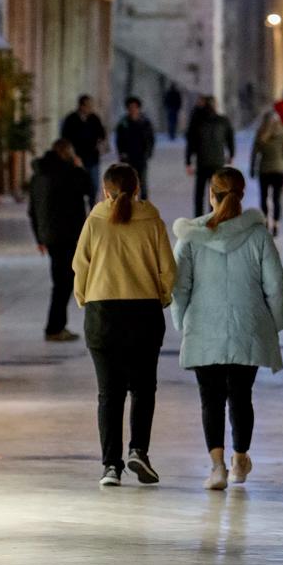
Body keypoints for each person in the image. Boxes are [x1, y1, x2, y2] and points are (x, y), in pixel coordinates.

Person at [172, 168, 283, 491]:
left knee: (210, 398)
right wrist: (274, 323)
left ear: (211, 195)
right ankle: (240, 459)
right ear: (243, 193)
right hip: (247, 328)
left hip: (203, 329)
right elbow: (275, 284)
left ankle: (217, 467)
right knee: (240, 396)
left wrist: (182, 321)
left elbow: (179, 287)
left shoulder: (191, 237)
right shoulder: (258, 235)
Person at [72, 163, 177, 489]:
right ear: (137, 189)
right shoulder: (153, 222)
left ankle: (110, 467)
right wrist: (160, 298)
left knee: (109, 393)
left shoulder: (95, 221)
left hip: (103, 314)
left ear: (105, 191)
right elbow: (168, 271)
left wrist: (85, 300)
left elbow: (80, 267)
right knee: (143, 389)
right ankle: (138, 451)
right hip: (144, 313)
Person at [28, 137, 91, 340]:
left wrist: (39, 237)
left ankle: (56, 326)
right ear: (67, 153)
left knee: (60, 282)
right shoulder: (69, 172)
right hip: (68, 235)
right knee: (63, 283)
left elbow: (32, 210)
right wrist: (80, 167)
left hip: (50, 236)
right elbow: (88, 188)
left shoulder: (38, 175)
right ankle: (54, 328)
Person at [185, 95, 235, 218]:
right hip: (217, 161)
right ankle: (213, 216)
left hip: (203, 161)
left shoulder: (197, 121)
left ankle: (199, 217)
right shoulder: (223, 121)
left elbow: (191, 143)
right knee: (215, 192)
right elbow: (230, 139)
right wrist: (231, 154)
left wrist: (188, 161)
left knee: (200, 193)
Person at [250, 110, 283, 235]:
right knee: (276, 198)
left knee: (264, 197)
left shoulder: (261, 133)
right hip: (280, 170)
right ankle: (275, 224)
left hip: (264, 170)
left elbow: (254, 153)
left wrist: (252, 168)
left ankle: (265, 222)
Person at [61, 94, 108, 206]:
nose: (90, 108)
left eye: (91, 106)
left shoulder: (94, 118)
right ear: (81, 106)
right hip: (76, 158)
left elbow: (101, 134)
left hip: (92, 157)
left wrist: (100, 145)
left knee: (94, 185)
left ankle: (92, 209)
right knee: (77, 186)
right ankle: (78, 210)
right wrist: (71, 155)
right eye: (88, 105)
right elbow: (65, 139)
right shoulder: (71, 119)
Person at [115, 95, 156, 201]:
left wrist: (148, 153)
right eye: (130, 107)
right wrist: (121, 153)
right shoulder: (123, 123)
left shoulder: (145, 123)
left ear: (138, 108)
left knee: (142, 184)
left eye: (135, 107)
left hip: (141, 157)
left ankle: (143, 208)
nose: (133, 110)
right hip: (127, 158)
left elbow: (151, 139)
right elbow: (119, 140)